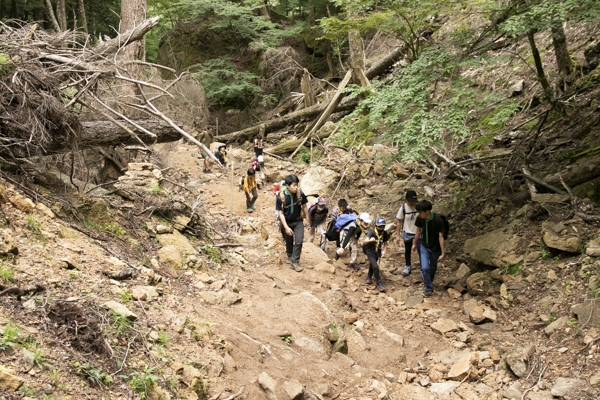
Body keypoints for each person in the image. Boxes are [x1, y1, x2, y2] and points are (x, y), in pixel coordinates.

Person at [411, 200, 446, 298]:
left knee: (433, 268)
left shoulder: (438, 220)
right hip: (424, 246)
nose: (419, 214)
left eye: (421, 212)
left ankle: (428, 281)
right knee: (425, 267)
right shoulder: (420, 218)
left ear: (427, 211)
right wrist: (414, 243)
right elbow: (418, 231)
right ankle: (429, 288)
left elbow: (441, 237)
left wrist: (443, 252)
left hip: (435, 248)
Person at [276, 175, 308, 272]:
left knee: (299, 240)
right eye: (294, 185)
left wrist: (307, 219)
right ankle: (290, 255)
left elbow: (305, 206)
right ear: (288, 186)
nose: (296, 187)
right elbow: (280, 213)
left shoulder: (300, 194)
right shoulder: (280, 197)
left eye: (296, 185)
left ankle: (295, 262)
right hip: (287, 221)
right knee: (288, 240)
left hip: (298, 221)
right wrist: (286, 227)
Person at [362, 216, 390, 292]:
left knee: (372, 265)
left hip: (377, 251)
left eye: (382, 226)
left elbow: (385, 243)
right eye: (379, 226)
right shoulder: (372, 232)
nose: (381, 228)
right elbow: (365, 241)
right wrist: (370, 240)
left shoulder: (384, 233)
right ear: (375, 225)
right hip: (370, 250)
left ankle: (368, 277)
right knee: (375, 266)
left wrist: (384, 251)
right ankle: (379, 282)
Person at [396, 190, 419, 276]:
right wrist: (397, 235)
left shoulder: (418, 207)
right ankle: (407, 266)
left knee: (421, 250)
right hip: (407, 232)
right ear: (407, 200)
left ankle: (423, 267)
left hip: (418, 232)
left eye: (414, 201)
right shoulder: (403, 208)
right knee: (407, 250)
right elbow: (399, 221)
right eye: (410, 201)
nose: (412, 203)